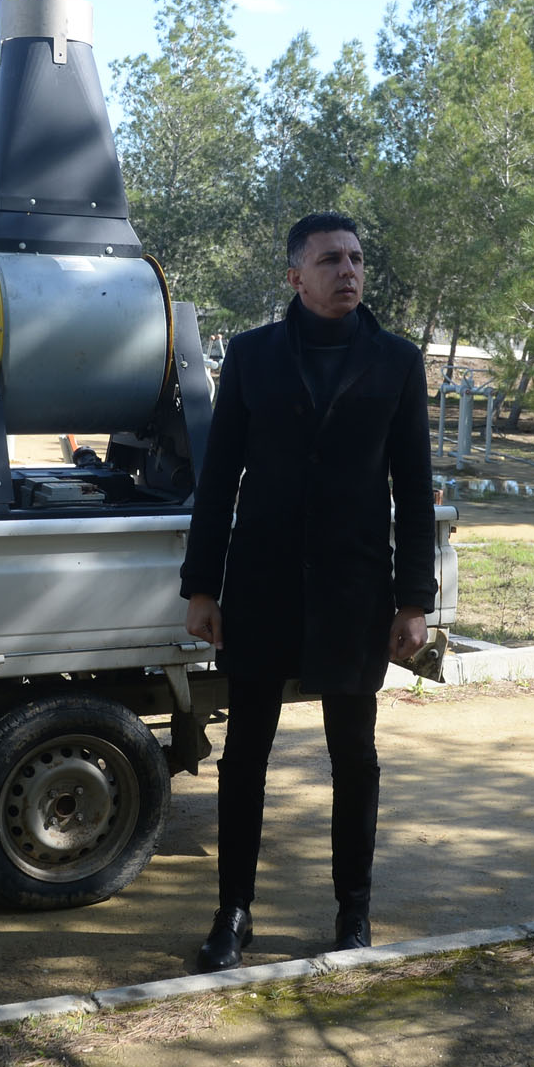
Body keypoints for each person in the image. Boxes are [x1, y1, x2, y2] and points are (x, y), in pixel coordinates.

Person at [179, 211, 437, 971]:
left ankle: (353, 911)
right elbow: (218, 479)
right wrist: (201, 587)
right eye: (330, 260)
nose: (348, 271)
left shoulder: (397, 361)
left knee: (354, 756)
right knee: (245, 757)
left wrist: (413, 601)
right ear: (296, 276)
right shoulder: (253, 355)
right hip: (262, 586)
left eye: (355, 258)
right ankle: (233, 914)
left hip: (356, 591)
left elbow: (413, 489)